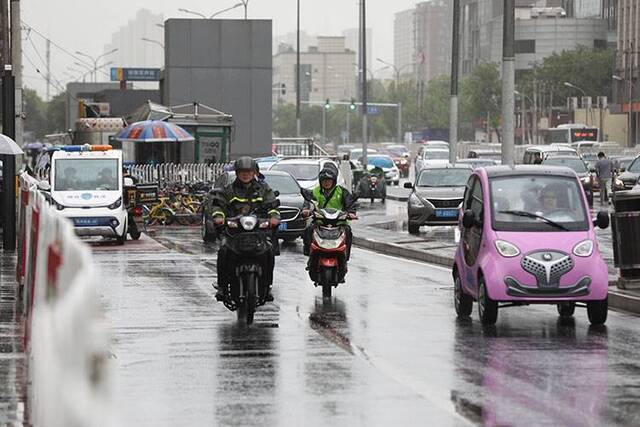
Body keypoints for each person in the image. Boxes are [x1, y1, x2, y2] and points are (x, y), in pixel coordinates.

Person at [211, 156, 280, 301]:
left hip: (258, 233)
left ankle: (267, 287)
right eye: (242, 171)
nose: (245, 174)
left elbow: (273, 206)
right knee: (223, 251)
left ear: (254, 172)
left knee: (269, 251)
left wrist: (274, 217)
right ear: (236, 173)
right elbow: (218, 206)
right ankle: (222, 287)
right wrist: (219, 217)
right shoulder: (228, 190)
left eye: (249, 171)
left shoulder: (263, 188)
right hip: (234, 233)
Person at [303, 164, 357, 259]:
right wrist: (306, 210)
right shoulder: (315, 191)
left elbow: (350, 203)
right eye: (324, 180)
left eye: (329, 180)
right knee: (308, 229)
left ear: (334, 181)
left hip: (339, 222)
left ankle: (345, 256)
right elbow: (308, 202)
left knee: (348, 231)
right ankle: (309, 253)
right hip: (320, 221)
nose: (327, 182)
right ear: (320, 181)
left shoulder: (341, 191)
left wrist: (351, 213)